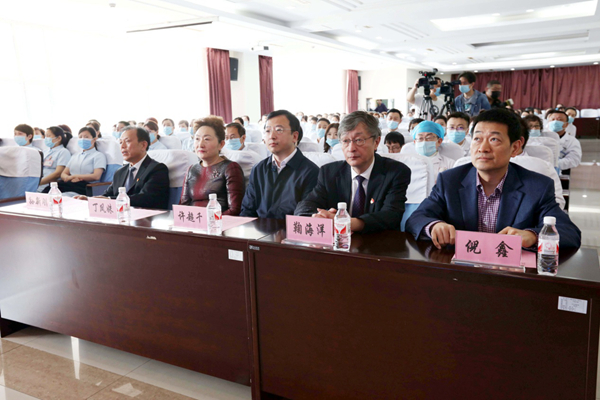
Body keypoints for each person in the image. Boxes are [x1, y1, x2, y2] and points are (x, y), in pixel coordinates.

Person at [405, 108, 581, 249]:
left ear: (515, 147)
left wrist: (533, 236)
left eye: (494, 139)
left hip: (509, 273)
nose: (483, 148)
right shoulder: (450, 180)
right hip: (461, 271)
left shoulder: (537, 186)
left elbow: (569, 232)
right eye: (477, 139)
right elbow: (417, 218)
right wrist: (434, 225)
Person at [295, 111, 410, 233]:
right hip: (339, 242)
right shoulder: (329, 172)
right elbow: (306, 205)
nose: (351, 148)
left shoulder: (396, 172)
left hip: (379, 241)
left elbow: (391, 215)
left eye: (359, 140)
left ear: (376, 142)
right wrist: (318, 218)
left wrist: (347, 223)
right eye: (345, 141)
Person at [240, 110, 319, 219]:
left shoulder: (311, 172)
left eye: (279, 130)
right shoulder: (258, 169)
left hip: (290, 229)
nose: (272, 136)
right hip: (258, 229)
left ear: (295, 136)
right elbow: (247, 211)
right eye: (267, 131)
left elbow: (305, 216)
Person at [75, 126, 170, 209]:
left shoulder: (157, 169)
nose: (122, 146)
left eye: (127, 141)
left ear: (143, 145)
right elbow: (108, 195)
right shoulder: (120, 172)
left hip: (147, 219)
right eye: (120, 142)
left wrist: (109, 200)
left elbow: (146, 198)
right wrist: (90, 200)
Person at [179, 117, 244, 215]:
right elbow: (183, 206)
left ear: (221, 144)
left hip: (220, 222)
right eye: (197, 139)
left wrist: (209, 221)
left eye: (207, 139)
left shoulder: (231, 168)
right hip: (193, 221)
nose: (200, 144)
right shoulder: (192, 169)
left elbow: (235, 210)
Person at [513, 120, 565, 209]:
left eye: (494, 139)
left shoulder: (543, 167)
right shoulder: (488, 166)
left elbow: (557, 205)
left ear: (518, 143)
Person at [53, 126, 106, 195]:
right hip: (70, 183)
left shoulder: (98, 156)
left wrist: (74, 176)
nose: (83, 139)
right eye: (80, 137)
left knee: (62, 195)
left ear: (94, 139)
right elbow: (63, 174)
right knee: (49, 190)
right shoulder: (75, 155)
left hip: (86, 186)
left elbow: (96, 176)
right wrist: (69, 178)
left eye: (86, 137)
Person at [38, 126, 72, 192]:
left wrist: (39, 183)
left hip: (49, 185)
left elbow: (58, 173)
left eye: (48, 136)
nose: (46, 138)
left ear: (59, 138)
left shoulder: (63, 152)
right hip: (39, 183)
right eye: (45, 136)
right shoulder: (45, 151)